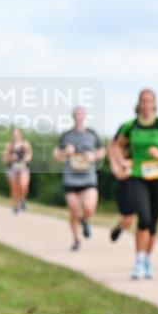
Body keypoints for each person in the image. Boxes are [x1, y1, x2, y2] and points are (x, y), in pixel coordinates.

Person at [113, 89, 158, 279]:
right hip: (137, 175)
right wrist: (121, 162)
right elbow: (117, 145)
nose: (145, 104)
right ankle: (138, 260)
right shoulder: (131, 125)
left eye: (149, 101)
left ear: (154, 103)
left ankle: (147, 260)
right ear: (139, 103)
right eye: (143, 101)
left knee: (153, 221)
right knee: (143, 217)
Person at [53, 107, 106, 251]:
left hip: (88, 178)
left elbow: (102, 151)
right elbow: (56, 154)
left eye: (82, 114)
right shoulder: (66, 135)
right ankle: (76, 240)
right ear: (73, 117)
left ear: (85, 117)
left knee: (89, 207)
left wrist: (93, 155)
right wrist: (65, 152)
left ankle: (85, 220)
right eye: (77, 114)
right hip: (71, 179)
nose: (79, 117)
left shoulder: (92, 134)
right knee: (74, 211)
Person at [106, 134, 137, 242]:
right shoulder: (128, 127)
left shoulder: (157, 128)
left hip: (146, 176)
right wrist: (115, 166)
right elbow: (112, 145)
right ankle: (120, 226)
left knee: (146, 217)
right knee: (128, 218)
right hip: (127, 177)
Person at [2, 127, 33, 214]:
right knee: (14, 189)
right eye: (14, 134)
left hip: (23, 168)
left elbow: (29, 154)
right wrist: (11, 158)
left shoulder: (25, 144)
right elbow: (4, 158)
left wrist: (26, 159)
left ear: (21, 134)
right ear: (11, 135)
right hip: (12, 169)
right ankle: (15, 206)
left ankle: (22, 199)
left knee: (23, 185)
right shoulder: (8, 145)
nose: (15, 136)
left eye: (17, 134)